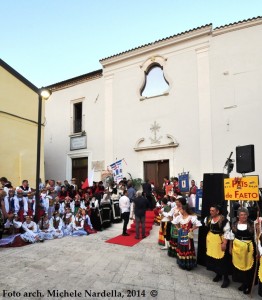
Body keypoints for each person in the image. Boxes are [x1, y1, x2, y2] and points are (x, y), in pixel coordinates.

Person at [229, 207, 256, 295]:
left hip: (248, 247)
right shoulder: (234, 224)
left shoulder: (252, 224)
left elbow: (256, 237)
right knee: (239, 265)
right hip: (237, 247)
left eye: (245, 215)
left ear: (247, 215)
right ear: (238, 216)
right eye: (241, 215)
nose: (243, 216)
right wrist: (230, 247)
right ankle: (243, 283)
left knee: (247, 266)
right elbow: (231, 237)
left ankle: (248, 284)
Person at [205, 205, 231, 288]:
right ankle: (218, 274)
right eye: (210, 210)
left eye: (212, 211)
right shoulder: (209, 218)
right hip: (212, 241)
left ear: (217, 211)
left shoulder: (223, 220)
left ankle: (226, 279)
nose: (211, 212)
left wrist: (224, 243)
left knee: (223, 260)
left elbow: (227, 232)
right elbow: (207, 226)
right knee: (214, 258)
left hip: (220, 240)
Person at [173, 204, 201, 270]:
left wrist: (192, 229)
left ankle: (188, 264)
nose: (179, 210)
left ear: (184, 210)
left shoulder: (191, 218)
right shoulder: (179, 217)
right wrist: (178, 228)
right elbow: (174, 222)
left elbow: (199, 224)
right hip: (181, 235)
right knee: (182, 247)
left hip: (188, 236)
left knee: (188, 248)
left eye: (181, 209)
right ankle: (182, 263)